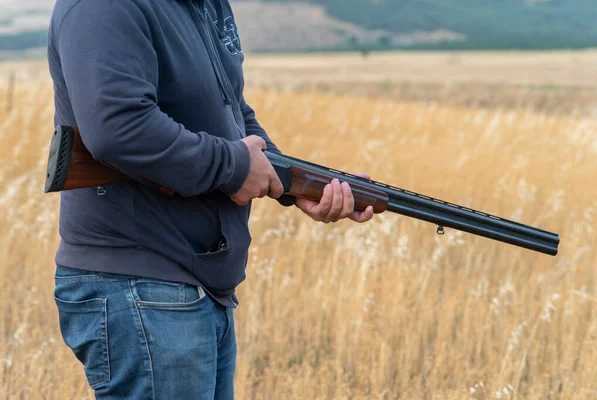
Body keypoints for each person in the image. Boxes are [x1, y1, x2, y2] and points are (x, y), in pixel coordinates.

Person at [47, 0, 374, 398]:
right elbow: (119, 127)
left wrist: (293, 182)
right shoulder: (104, 6)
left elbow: (231, 109)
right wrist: (235, 168)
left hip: (193, 283)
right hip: (140, 285)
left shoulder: (205, 4)